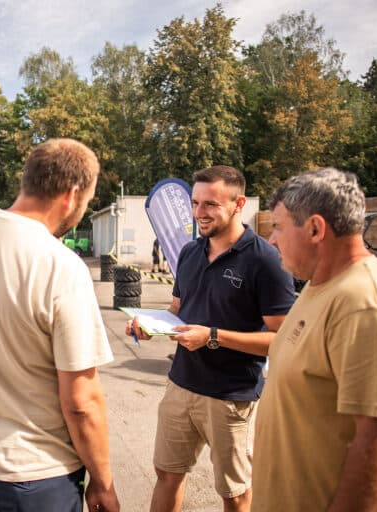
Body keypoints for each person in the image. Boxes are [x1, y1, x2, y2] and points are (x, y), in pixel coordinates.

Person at [0, 138, 120, 512]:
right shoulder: (61, 265)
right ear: (72, 195)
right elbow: (81, 402)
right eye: (87, 201)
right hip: (37, 475)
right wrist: (103, 483)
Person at [127, 165, 295, 512]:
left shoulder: (265, 260)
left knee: (234, 492)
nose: (199, 213)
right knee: (167, 473)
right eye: (194, 202)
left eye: (210, 205)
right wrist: (149, 324)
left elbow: (285, 339)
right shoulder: (190, 253)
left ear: (238, 204)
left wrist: (213, 337)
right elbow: (178, 309)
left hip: (230, 396)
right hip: (181, 385)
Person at [252, 168, 377, 511]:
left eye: (278, 227)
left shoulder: (366, 302)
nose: (272, 240)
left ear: (315, 228)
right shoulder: (321, 285)